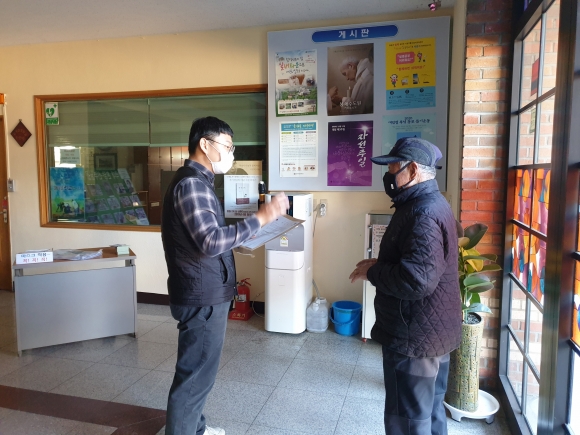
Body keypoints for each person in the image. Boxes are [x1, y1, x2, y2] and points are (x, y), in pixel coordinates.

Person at [161, 116, 289, 435]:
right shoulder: (192, 184)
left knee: (200, 373)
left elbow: (208, 237)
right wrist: (261, 218)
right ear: (205, 144)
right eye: (227, 146)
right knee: (194, 378)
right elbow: (210, 241)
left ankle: (196, 428)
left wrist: (245, 238)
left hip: (204, 289)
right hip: (201, 295)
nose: (231, 153)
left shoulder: (199, 181)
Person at [349, 137, 462, 435]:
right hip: (432, 333)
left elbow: (416, 280)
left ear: (412, 171)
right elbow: (423, 264)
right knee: (430, 415)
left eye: (393, 167)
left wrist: (375, 272)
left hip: (416, 339)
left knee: (409, 423)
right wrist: (380, 265)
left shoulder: (422, 213)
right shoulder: (431, 204)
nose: (388, 174)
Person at [327, 49, 374, 115]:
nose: (347, 78)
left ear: (351, 66)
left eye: (345, 74)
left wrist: (342, 100)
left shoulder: (364, 79)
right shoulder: (365, 74)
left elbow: (355, 112)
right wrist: (342, 100)